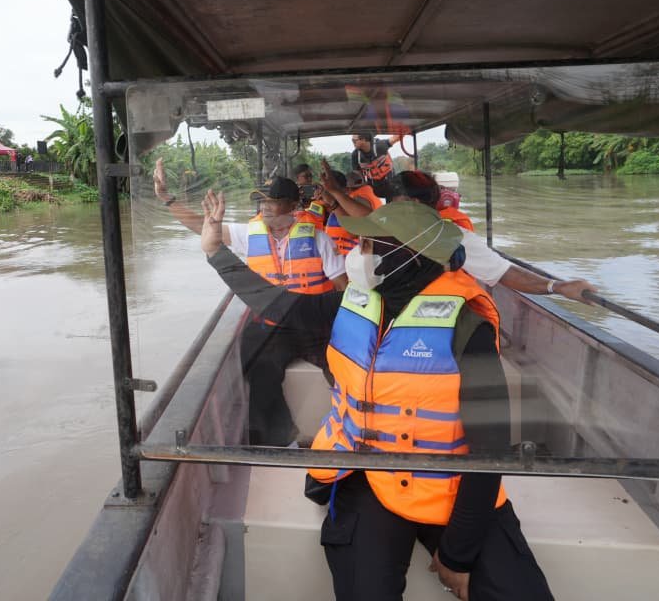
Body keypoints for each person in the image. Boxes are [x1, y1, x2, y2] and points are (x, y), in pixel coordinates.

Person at [199, 193, 554, 601]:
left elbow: (490, 452)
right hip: (365, 473)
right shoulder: (352, 303)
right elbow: (279, 305)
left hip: (452, 484)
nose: (358, 252)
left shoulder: (466, 328)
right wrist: (215, 252)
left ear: (407, 257)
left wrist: (457, 555)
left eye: (370, 245)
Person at [154, 158, 346, 445]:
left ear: (294, 206)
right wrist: (168, 199)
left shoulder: (318, 238)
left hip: (314, 323)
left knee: (344, 366)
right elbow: (204, 228)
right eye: (261, 202)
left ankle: (348, 428)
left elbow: (343, 289)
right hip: (274, 326)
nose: (265, 207)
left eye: (273, 202)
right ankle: (280, 437)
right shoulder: (248, 234)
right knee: (258, 367)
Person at [343, 169, 597, 303]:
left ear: (410, 203)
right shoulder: (449, 236)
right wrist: (558, 287)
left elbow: (502, 272)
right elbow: (504, 273)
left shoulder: (376, 229)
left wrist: (558, 287)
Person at [351, 130, 401, 197]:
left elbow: (395, 138)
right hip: (374, 187)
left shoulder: (380, 146)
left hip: (391, 184)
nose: (353, 143)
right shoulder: (355, 155)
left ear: (363, 140)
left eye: (354, 141)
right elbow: (357, 174)